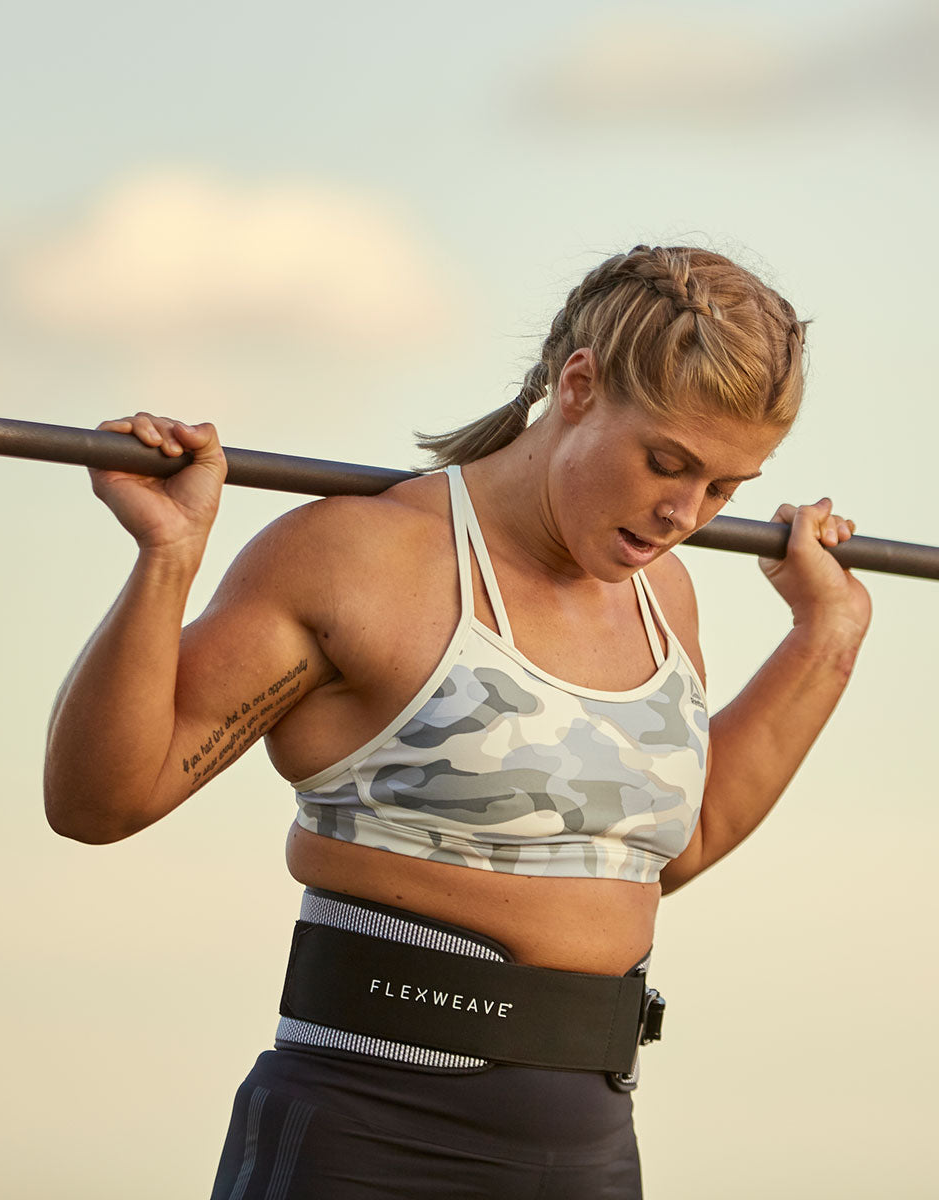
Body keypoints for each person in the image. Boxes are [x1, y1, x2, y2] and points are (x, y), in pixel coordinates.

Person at [44, 244, 870, 1199]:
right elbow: (99, 800)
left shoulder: (663, 596)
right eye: (666, 463)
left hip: (592, 1152)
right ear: (577, 385)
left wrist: (826, 637)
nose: (685, 512)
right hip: (367, 1140)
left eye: (724, 487)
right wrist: (168, 560)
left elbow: (672, 845)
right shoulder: (361, 559)